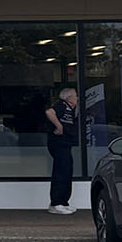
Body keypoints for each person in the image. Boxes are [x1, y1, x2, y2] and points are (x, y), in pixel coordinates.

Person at [44, 86, 79, 214]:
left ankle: (64, 202)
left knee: (67, 171)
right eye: (75, 96)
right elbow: (49, 112)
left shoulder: (70, 109)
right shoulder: (62, 105)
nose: (77, 98)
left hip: (66, 144)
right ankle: (56, 203)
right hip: (58, 144)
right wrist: (59, 127)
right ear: (69, 98)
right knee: (60, 171)